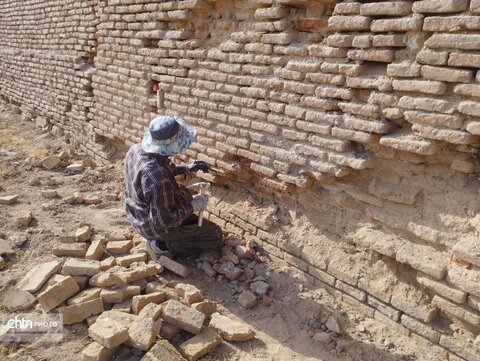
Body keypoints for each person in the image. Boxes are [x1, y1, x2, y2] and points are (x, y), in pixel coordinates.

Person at [124, 115, 223, 261]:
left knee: (184, 194)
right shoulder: (158, 179)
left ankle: (176, 234)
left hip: (137, 213)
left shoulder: (136, 149)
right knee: (214, 234)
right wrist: (194, 206)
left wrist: (187, 168)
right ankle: (162, 245)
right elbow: (163, 221)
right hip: (154, 225)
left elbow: (160, 169)